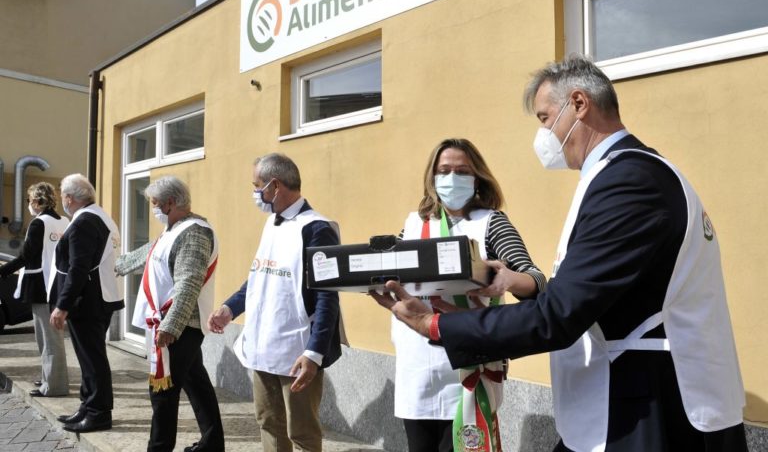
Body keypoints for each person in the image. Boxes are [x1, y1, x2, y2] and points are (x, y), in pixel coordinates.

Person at [372, 55, 748, 452]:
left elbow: (559, 315)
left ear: (580, 105)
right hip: (626, 399)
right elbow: (580, 298)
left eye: (545, 118)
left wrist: (435, 325)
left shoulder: (630, 182)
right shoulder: (626, 174)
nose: (544, 135)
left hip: (648, 408)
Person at [394, 138, 546, 452]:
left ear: (477, 177)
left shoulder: (492, 223)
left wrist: (506, 279)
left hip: (467, 367)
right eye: (444, 170)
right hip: (417, 368)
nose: (452, 178)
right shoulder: (413, 225)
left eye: (462, 170)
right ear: (432, 177)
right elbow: (390, 273)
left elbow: (537, 280)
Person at [207, 153, 342, 452]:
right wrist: (229, 308)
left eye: (257, 186)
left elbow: (327, 296)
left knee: (302, 431)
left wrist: (315, 352)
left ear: (275, 185)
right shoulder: (272, 223)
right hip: (263, 343)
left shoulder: (316, 228)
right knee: (268, 422)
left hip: (297, 349)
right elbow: (260, 276)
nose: (255, 193)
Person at [115, 176, 225, 452]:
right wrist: (113, 262)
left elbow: (188, 284)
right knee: (196, 382)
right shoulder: (173, 229)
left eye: (154, 204)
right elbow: (144, 256)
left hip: (180, 325)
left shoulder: (195, 232)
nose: (152, 209)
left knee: (162, 393)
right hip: (172, 323)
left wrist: (170, 327)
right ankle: (213, 444)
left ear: (170, 203)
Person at [49, 173, 124, 433]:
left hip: (88, 300)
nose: (62, 201)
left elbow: (78, 267)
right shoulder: (100, 216)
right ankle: (87, 405)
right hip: (100, 297)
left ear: (69, 198)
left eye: (62, 196)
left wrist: (63, 304)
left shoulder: (84, 222)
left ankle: (98, 413)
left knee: (92, 359)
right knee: (89, 357)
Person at [0, 182, 69, 397]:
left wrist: (3, 271)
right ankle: (49, 377)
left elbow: (25, 256)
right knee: (51, 337)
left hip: (41, 286)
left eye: (29, 200)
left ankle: (54, 386)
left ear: (38, 201)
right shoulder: (64, 221)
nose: (29, 205)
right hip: (58, 284)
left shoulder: (39, 224)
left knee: (48, 339)